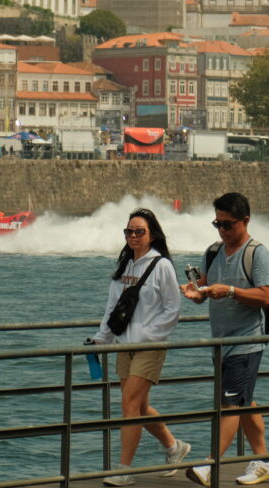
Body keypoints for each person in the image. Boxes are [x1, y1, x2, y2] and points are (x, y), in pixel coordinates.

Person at [181, 193, 269, 486]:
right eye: (217, 224)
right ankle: (264, 462)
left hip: (246, 343)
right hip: (220, 345)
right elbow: (203, 289)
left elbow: (266, 296)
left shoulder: (257, 254)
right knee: (244, 402)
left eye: (228, 224)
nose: (222, 230)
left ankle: (208, 465)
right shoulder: (213, 252)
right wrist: (195, 293)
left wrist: (231, 291)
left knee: (230, 406)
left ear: (245, 221)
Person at [90, 208, 192, 486]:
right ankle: (174, 447)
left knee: (129, 404)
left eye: (139, 231)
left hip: (150, 346)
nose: (133, 236)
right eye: (129, 231)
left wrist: (149, 335)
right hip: (124, 345)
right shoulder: (124, 266)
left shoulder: (162, 266)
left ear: (152, 234)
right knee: (139, 405)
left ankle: (123, 470)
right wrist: (101, 338)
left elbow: (172, 309)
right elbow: (112, 308)